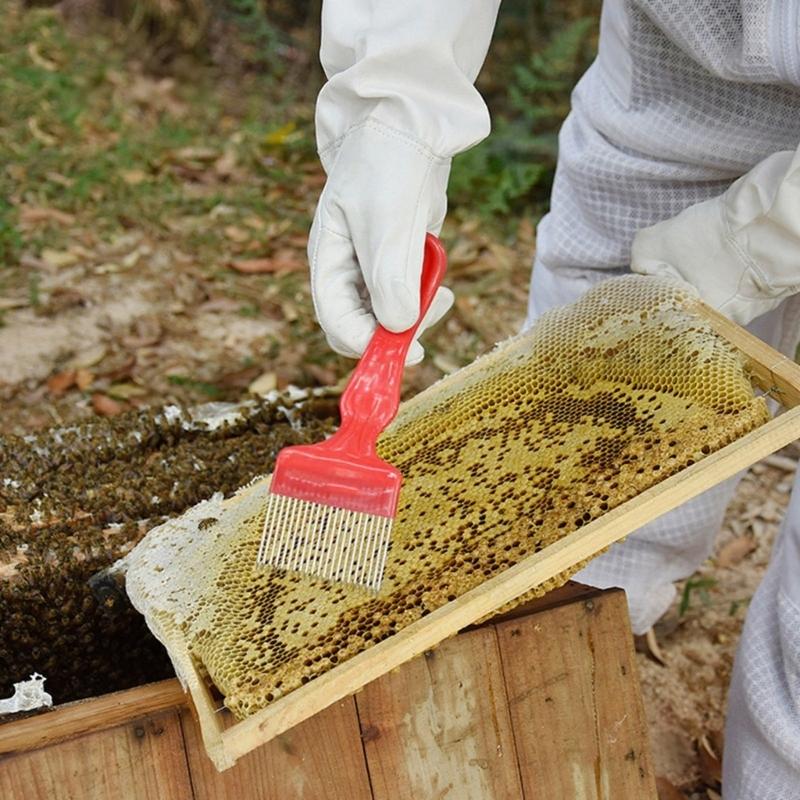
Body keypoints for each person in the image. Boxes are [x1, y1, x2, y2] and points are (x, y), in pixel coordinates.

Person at [306, 2, 800, 796]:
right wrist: (390, 105)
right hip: (685, 52)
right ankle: (587, 633)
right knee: (580, 419)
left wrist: (756, 241)